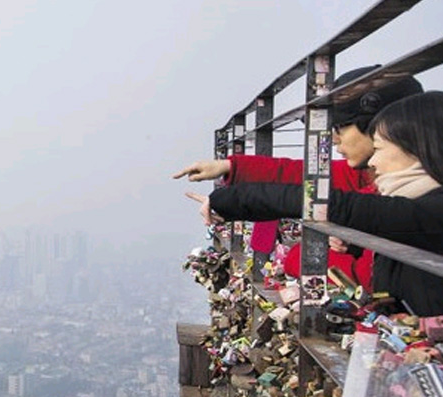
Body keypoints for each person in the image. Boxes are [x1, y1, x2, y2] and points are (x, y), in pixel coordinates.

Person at [201, 91, 443, 317]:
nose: (374, 163)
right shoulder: (426, 205)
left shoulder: (442, 210)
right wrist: (355, 243)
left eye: (379, 148)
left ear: (418, 147)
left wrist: (230, 200)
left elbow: (337, 204)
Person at [175, 65, 424, 287]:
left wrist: (322, 247)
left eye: (338, 127)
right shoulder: (381, 178)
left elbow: (366, 276)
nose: (333, 139)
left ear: (379, 126)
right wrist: (229, 167)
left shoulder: (407, 195)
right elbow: (304, 177)